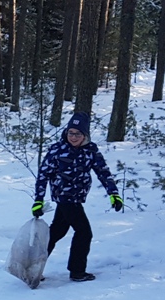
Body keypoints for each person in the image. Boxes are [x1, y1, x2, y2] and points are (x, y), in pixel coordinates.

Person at [31, 111, 123, 282]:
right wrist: (38, 200)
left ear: (85, 135)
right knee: (84, 232)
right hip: (65, 197)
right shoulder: (57, 150)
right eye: (70, 133)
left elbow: (103, 172)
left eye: (78, 134)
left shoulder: (90, 150)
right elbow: (43, 174)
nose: (73, 137)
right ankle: (77, 271)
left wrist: (114, 194)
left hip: (76, 197)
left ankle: (31, 267)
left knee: (56, 232)